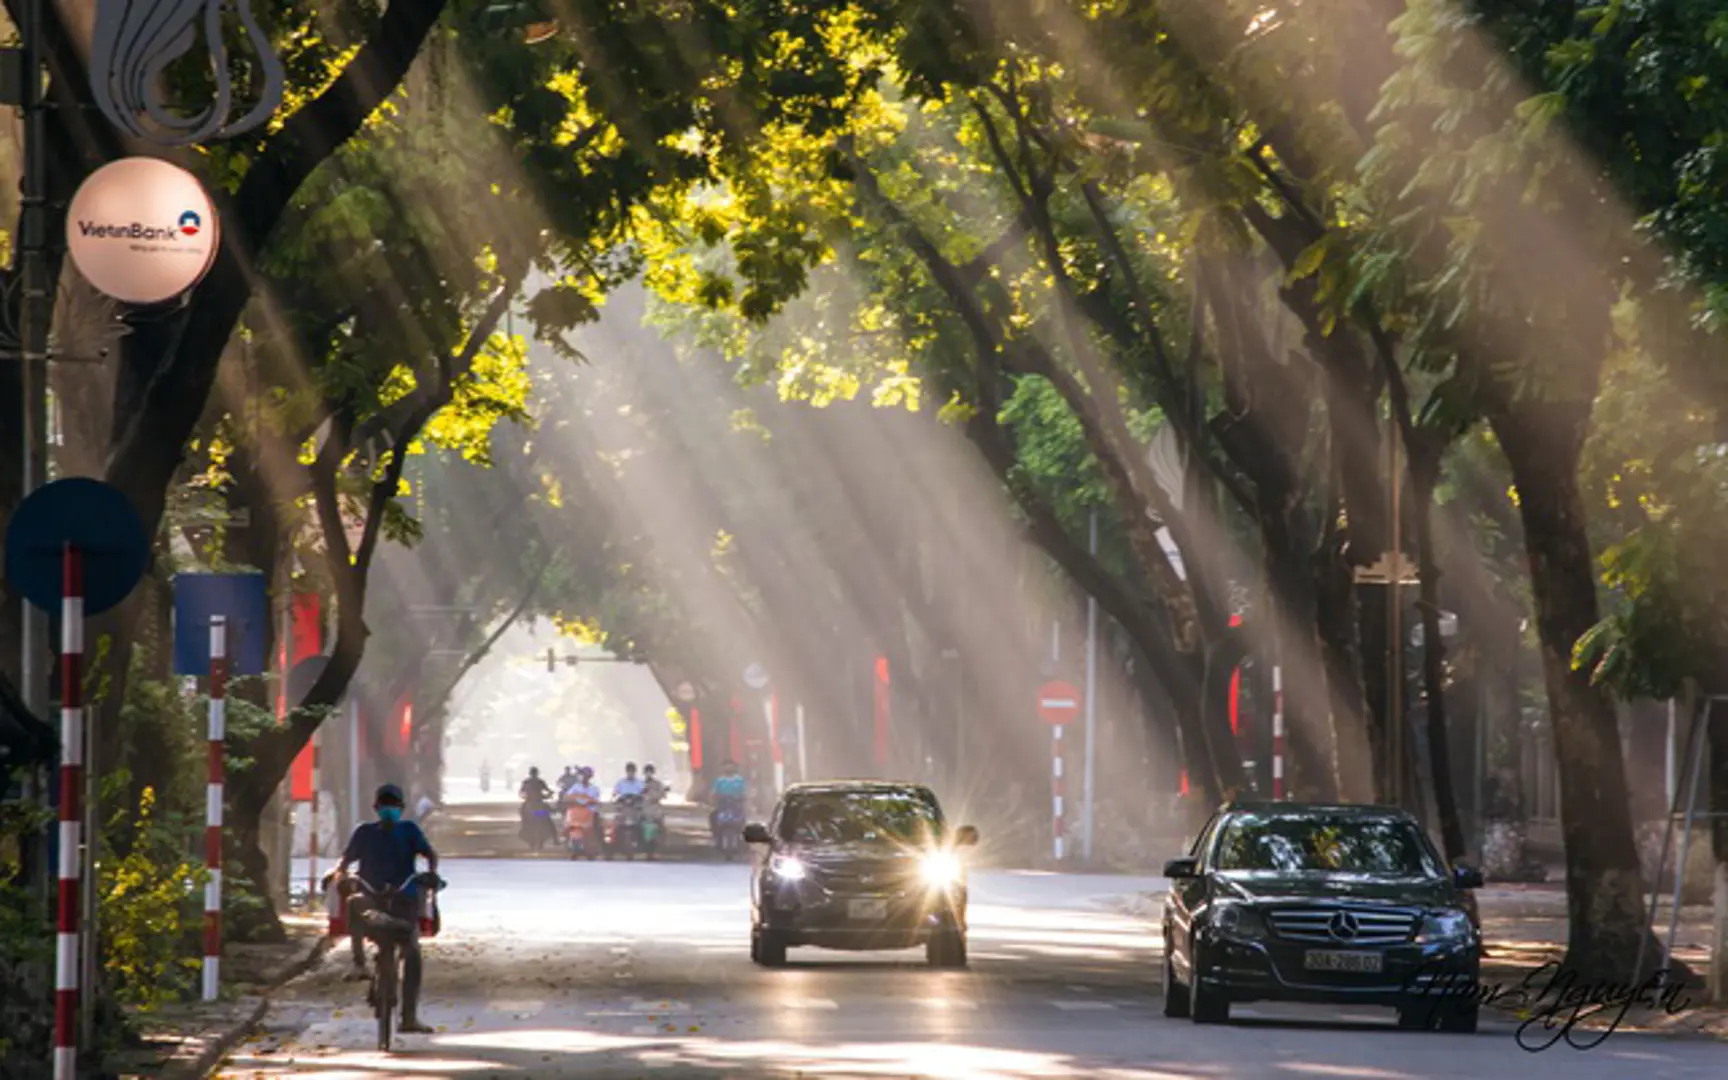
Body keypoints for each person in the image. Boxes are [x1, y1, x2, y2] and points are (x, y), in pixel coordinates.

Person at [330, 783, 438, 1034]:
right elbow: (345, 861)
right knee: (353, 902)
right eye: (385, 805)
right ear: (376, 808)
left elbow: (430, 855)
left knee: (412, 954)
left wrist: (432, 873)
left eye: (394, 805)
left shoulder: (410, 831)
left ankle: (409, 1017)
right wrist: (342, 875)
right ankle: (359, 963)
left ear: (401, 809)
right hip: (371, 898)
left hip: (404, 901)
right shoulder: (364, 833)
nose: (389, 810)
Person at [710, 759, 747, 839]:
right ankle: (716, 835)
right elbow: (714, 792)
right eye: (726, 766)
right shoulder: (719, 781)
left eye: (730, 766)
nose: (728, 768)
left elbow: (744, 792)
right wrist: (713, 800)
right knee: (713, 816)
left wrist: (744, 800)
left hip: (736, 806)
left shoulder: (739, 780)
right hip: (723, 805)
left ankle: (741, 835)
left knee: (743, 817)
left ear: (734, 768)